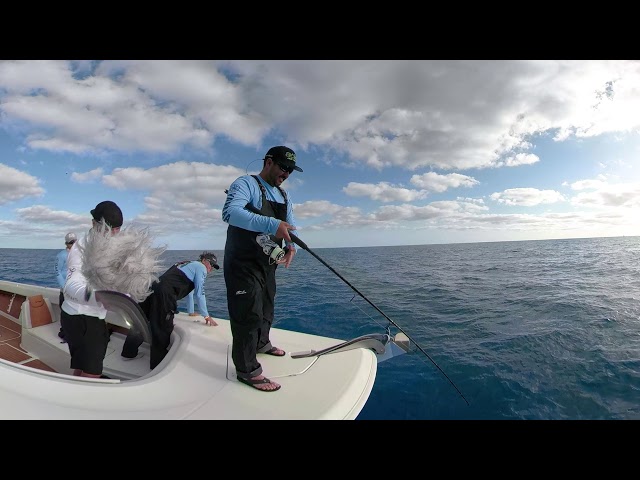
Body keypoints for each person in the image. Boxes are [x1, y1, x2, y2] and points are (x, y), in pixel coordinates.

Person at [222, 145, 302, 392]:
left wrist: (290, 246)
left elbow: (290, 226)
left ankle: (261, 343)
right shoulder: (246, 184)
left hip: (267, 264)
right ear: (268, 162)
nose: (286, 173)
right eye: (283, 167)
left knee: (267, 305)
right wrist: (272, 223)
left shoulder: (284, 196)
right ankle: (247, 370)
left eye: (290, 170)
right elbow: (230, 212)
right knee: (249, 313)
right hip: (242, 264)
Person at [121, 251, 220, 369]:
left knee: (141, 321)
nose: (210, 268)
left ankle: (128, 352)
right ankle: (157, 364)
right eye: (210, 264)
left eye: (213, 267)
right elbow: (200, 293)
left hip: (152, 287)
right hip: (165, 293)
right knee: (162, 327)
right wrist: (206, 315)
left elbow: (190, 292)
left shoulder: (186, 264)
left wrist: (190, 311)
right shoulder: (201, 267)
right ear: (204, 260)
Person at [61, 201, 124, 378]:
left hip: (92, 316)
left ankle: (74, 392)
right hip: (80, 317)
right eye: (108, 229)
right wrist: (97, 297)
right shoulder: (80, 248)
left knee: (83, 365)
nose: (113, 235)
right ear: (93, 224)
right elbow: (71, 286)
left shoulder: (109, 246)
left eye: (117, 230)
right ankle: (81, 401)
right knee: (93, 372)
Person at [54, 232, 77, 341]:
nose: (73, 244)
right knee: (65, 312)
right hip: (65, 290)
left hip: (75, 289)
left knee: (74, 312)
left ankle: (73, 332)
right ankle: (64, 332)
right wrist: (64, 287)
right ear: (66, 243)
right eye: (70, 242)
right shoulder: (61, 255)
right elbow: (57, 272)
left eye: (74, 242)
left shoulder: (80, 254)